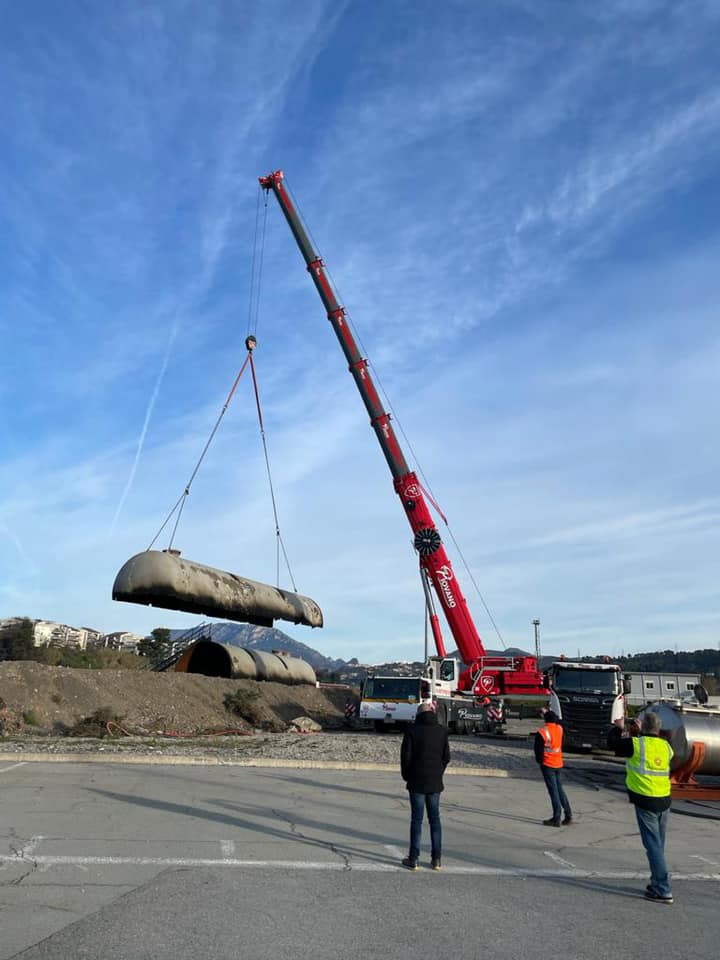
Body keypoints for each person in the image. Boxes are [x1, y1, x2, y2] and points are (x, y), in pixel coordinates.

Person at [608, 711, 674, 904]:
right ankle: (656, 883)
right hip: (664, 799)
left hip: (646, 800)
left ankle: (663, 888)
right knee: (658, 845)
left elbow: (613, 743)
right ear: (659, 729)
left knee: (652, 846)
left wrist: (619, 728)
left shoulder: (636, 744)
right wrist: (640, 732)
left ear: (642, 727)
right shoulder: (666, 746)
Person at [400, 701, 450, 870]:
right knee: (435, 820)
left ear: (418, 714)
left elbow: (406, 757)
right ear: (432, 713)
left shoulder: (412, 731)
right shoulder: (442, 731)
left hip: (416, 781)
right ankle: (436, 859)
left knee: (417, 820)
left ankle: (413, 858)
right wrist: (438, 772)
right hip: (435, 782)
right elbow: (446, 757)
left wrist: (407, 776)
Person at [534, 709, 572, 826]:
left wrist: (540, 762)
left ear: (545, 719)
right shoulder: (559, 729)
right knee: (560, 789)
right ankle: (568, 814)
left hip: (548, 764)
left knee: (553, 792)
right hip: (558, 763)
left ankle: (556, 818)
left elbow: (538, 751)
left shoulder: (543, 732)